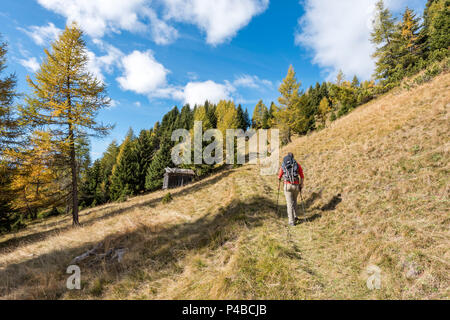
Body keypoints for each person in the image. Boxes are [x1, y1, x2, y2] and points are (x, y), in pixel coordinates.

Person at [278, 152, 304, 226]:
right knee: (295, 201)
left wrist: (279, 181)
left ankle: (291, 221)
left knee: (289, 203)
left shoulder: (284, 164)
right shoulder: (297, 164)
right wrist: (301, 184)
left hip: (287, 185)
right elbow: (302, 176)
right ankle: (295, 216)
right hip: (296, 186)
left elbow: (279, 175)